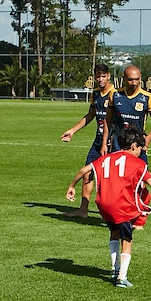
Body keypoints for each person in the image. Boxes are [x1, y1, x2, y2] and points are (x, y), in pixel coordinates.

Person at [66, 127, 151, 288]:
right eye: (140, 149)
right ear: (134, 145)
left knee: (114, 232)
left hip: (104, 204)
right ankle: (122, 277)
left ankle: (114, 268)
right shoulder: (137, 163)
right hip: (122, 206)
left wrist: (72, 186)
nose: (140, 152)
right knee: (127, 240)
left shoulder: (106, 158)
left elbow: (84, 170)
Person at [61, 63, 115, 218]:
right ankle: (83, 210)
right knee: (87, 173)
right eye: (98, 76)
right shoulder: (96, 94)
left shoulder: (115, 94)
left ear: (109, 76)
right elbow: (90, 115)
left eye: (103, 75)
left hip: (111, 142)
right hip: (98, 140)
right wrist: (72, 131)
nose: (100, 79)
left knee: (109, 179)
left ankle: (113, 212)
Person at [108, 65, 151, 163]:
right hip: (118, 144)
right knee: (117, 176)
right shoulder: (115, 94)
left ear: (140, 77)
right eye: (130, 80)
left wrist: (147, 139)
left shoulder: (148, 97)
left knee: (141, 176)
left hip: (137, 144)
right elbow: (108, 120)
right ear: (124, 78)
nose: (134, 83)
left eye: (137, 79)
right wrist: (104, 142)